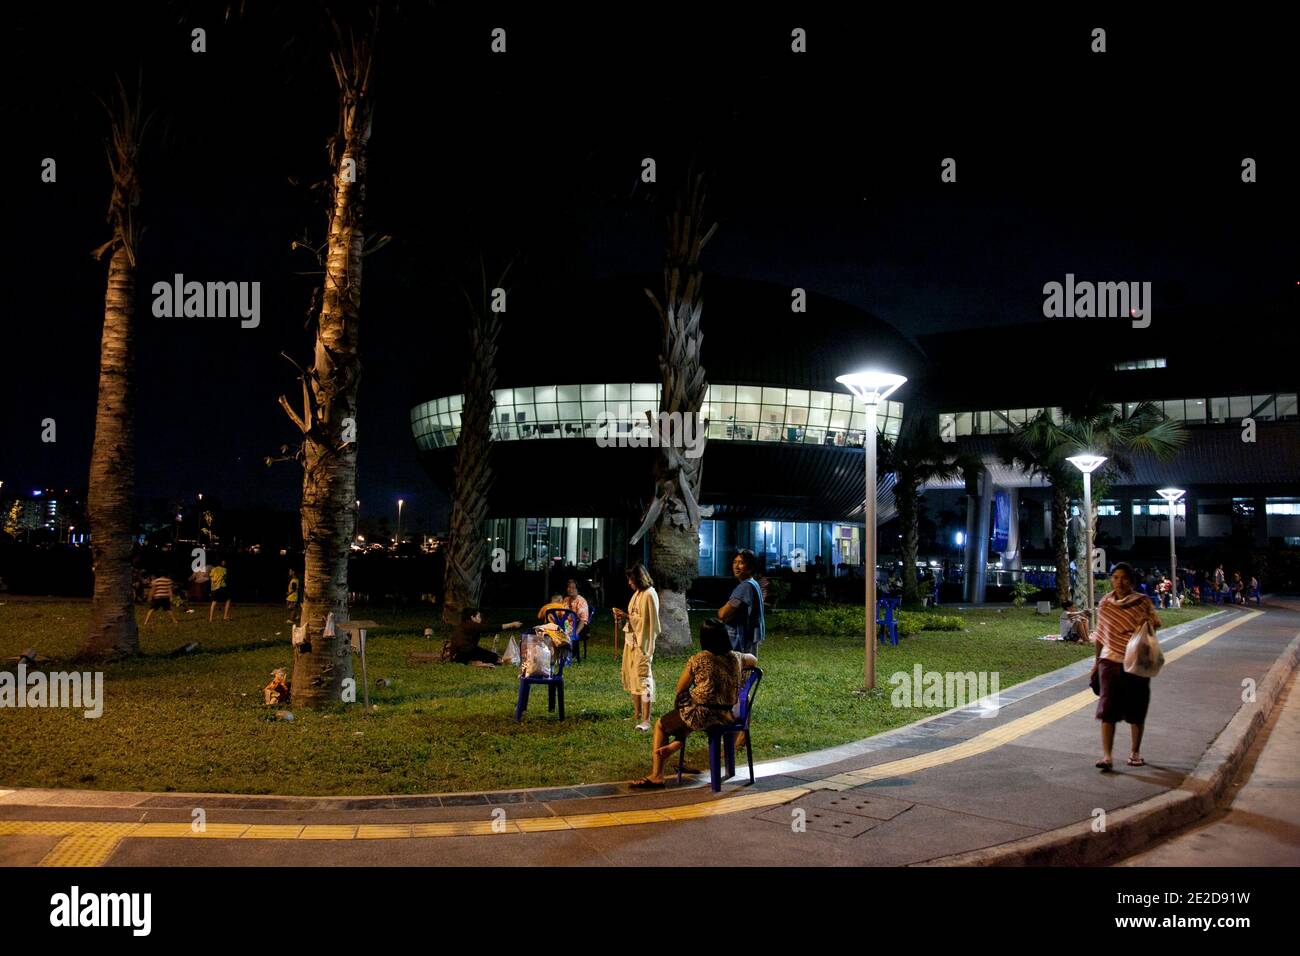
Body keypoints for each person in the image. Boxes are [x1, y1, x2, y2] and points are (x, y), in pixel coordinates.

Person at [630, 618, 758, 789]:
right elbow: (753, 660)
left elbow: (680, 687)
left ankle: (657, 775)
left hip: (700, 714)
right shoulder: (736, 657)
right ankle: (677, 742)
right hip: (726, 715)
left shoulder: (699, 659)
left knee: (662, 724)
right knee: (685, 719)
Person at [1089, 562, 1161, 771]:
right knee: (1107, 709)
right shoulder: (1105, 604)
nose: (1120, 582)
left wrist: (1146, 621)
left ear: (1132, 581)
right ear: (1111, 580)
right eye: (1116, 577)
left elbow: (1154, 625)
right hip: (1109, 661)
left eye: (1124, 578)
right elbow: (1100, 636)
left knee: (1136, 709)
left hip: (1136, 662)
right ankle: (1107, 756)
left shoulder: (1142, 602)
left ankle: (1135, 753)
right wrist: (1096, 663)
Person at [612, 563, 660, 731]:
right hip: (631, 641)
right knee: (633, 677)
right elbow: (634, 617)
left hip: (643, 643)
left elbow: (649, 623)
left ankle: (646, 719)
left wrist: (627, 616)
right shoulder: (637, 594)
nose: (629, 583)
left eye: (631, 580)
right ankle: (636, 713)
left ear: (638, 579)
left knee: (643, 678)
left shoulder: (649, 594)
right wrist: (623, 618)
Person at [717, 549, 764, 655]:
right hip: (751, 635)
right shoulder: (753, 583)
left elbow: (723, 613)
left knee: (739, 668)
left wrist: (720, 612)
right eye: (735, 562)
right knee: (748, 667)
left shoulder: (745, 587)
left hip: (741, 637)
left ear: (751, 567)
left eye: (741, 563)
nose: (736, 566)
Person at [449, 607, 522, 666]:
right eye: (478, 616)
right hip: (462, 654)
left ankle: (474, 661)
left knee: (490, 655)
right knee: (493, 657)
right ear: (472, 617)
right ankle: (474, 662)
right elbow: (491, 628)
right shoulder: (471, 625)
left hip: (457, 654)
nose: (480, 619)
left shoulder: (463, 625)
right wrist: (512, 624)